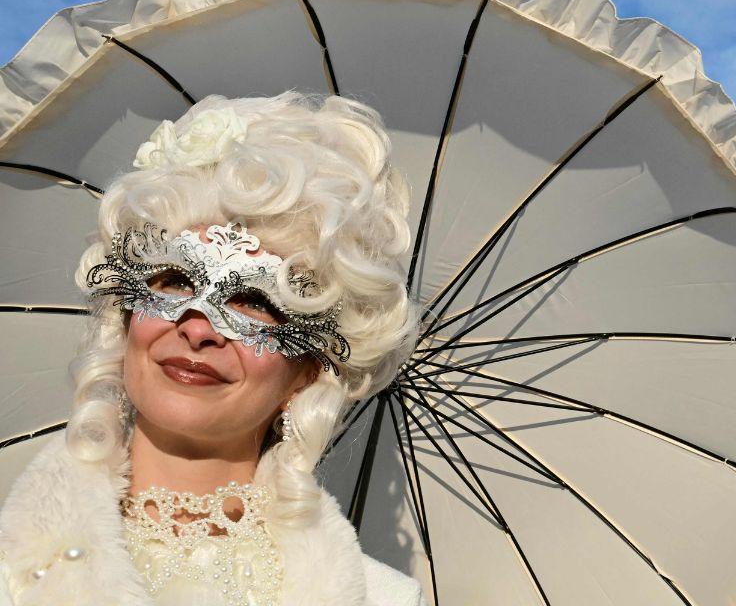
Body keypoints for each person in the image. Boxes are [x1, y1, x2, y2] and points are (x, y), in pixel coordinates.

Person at [0, 93, 426, 605]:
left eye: (253, 301)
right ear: (127, 317)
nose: (198, 328)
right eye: (176, 279)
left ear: (307, 374)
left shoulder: (383, 599)